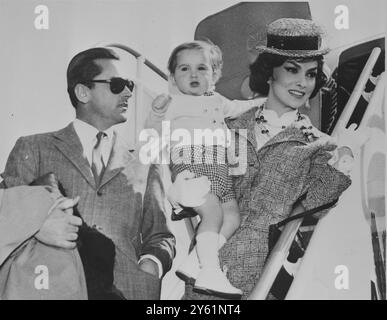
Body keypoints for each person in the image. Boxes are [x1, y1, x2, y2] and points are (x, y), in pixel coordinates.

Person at [168, 18, 360, 299]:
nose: (302, 83)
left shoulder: (317, 144)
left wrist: (345, 159)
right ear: (270, 73)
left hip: (258, 274)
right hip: (201, 269)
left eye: (311, 74)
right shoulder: (226, 123)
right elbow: (191, 162)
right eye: (292, 70)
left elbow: (315, 208)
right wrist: (178, 183)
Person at [0, 47, 175, 300]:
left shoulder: (145, 160)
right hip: (55, 288)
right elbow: (8, 216)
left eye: (129, 85)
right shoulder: (33, 147)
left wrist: (150, 267)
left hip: (129, 292)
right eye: (116, 84)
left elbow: (161, 235)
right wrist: (38, 226)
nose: (127, 92)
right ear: (83, 92)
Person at [144, 40, 265, 299]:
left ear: (214, 75)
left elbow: (240, 107)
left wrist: (266, 102)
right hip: (191, 163)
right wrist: (155, 114)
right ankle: (211, 271)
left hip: (219, 168)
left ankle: (196, 262)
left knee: (231, 216)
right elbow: (151, 135)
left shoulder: (217, 100)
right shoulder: (173, 102)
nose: (194, 74)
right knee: (211, 211)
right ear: (173, 77)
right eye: (184, 69)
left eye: (202, 68)